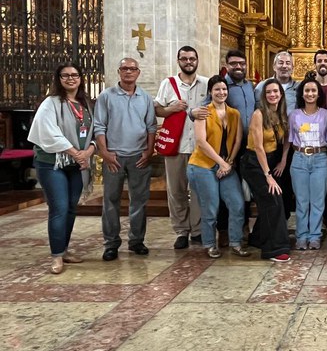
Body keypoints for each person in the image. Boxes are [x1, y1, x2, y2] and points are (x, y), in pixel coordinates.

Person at [28, 63, 96, 274]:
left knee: (71, 208)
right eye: (65, 75)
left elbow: (94, 132)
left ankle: (64, 249)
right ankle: (56, 256)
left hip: (77, 164)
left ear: (81, 78)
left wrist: (88, 152)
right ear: (58, 79)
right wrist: (77, 153)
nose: (70, 78)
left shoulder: (87, 104)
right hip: (52, 163)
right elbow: (49, 132)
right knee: (59, 208)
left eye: (74, 75)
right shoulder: (51, 103)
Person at [94, 58, 157, 261]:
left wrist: (149, 151)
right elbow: (99, 126)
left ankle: (136, 241)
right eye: (124, 69)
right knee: (110, 201)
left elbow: (151, 127)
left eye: (132, 69)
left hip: (139, 156)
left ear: (138, 72)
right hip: (115, 156)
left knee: (139, 201)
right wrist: (104, 152)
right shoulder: (106, 96)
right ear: (118, 71)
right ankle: (111, 243)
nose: (128, 72)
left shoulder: (145, 97)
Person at [195, 49, 256, 248]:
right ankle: (220, 235)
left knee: (241, 194)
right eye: (234, 63)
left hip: (243, 149)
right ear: (226, 65)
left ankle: (240, 232)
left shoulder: (250, 87)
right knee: (215, 201)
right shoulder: (219, 85)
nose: (238, 67)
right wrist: (191, 112)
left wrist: (229, 160)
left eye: (242, 63)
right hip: (213, 156)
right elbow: (201, 111)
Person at [187, 76, 249, 259]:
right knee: (211, 207)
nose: (221, 93)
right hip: (202, 166)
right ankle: (210, 244)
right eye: (217, 90)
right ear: (210, 92)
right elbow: (201, 142)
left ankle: (236, 243)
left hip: (226, 165)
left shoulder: (234, 113)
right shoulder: (203, 112)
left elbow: (237, 140)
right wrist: (221, 163)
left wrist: (228, 162)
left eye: (224, 89)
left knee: (237, 204)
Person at [154, 46, 207, 249]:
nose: (188, 62)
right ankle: (181, 231)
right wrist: (170, 109)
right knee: (176, 190)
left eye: (192, 58)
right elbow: (158, 108)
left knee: (198, 191)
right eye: (184, 59)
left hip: (200, 148)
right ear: (178, 61)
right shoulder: (168, 84)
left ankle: (198, 230)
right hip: (176, 145)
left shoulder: (205, 83)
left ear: (197, 60)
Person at [242, 78, 292, 261]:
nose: (272, 95)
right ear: (264, 95)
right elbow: (258, 147)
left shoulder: (281, 113)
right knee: (273, 199)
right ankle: (275, 249)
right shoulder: (259, 114)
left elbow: (287, 139)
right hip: (254, 163)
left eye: (275, 92)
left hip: (273, 161)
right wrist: (267, 175)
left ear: (281, 94)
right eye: (269, 92)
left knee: (281, 201)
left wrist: (283, 161)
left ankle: (257, 238)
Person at [255, 51, 298, 219]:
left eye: (288, 63)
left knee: (285, 183)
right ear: (274, 66)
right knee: (268, 185)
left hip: (288, 143)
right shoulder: (261, 87)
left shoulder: (298, 87)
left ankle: (283, 220)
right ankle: (268, 220)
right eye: (281, 63)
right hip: (266, 142)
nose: (284, 66)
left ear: (293, 67)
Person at [288, 78, 327, 251]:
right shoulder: (294, 115)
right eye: (307, 90)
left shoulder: (326, 114)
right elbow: (290, 139)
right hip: (299, 158)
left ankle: (315, 236)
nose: (310, 94)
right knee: (302, 201)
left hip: (320, 158)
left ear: (319, 94)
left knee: (318, 201)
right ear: (302, 93)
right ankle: (301, 235)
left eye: (314, 90)